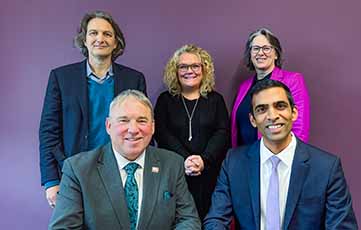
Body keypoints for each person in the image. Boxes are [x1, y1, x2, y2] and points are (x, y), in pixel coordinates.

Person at [204, 79, 358, 229]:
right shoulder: (233, 163)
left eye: (280, 106)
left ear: (294, 113)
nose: (272, 116)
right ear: (253, 120)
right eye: (262, 109)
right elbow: (216, 219)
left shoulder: (326, 168)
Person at [39, 10, 146, 208]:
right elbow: (48, 132)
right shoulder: (61, 78)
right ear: (84, 40)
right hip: (72, 173)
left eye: (107, 34)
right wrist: (51, 181)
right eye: (93, 33)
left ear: (116, 43)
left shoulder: (134, 79)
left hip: (120, 173)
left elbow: (142, 129)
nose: (100, 39)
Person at [49, 90, 200, 229]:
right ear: (108, 126)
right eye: (123, 120)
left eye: (142, 120)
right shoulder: (78, 169)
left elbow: (188, 220)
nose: (133, 129)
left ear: (153, 127)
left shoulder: (172, 164)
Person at [154, 44, 230, 221]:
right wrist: (185, 159)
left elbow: (222, 132)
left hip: (209, 174)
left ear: (204, 69)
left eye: (195, 66)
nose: (190, 71)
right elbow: (161, 133)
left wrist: (204, 159)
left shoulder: (215, 100)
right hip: (175, 173)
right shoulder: (165, 100)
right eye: (183, 66)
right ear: (175, 71)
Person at [231, 27, 310, 148]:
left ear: (276, 54)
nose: (260, 53)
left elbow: (300, 125)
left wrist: (292, 157)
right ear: (250, 55)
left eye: (266, 48)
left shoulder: (292, 80)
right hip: (244, 157)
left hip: (276, 156)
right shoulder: (244, 87)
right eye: (256, 48)